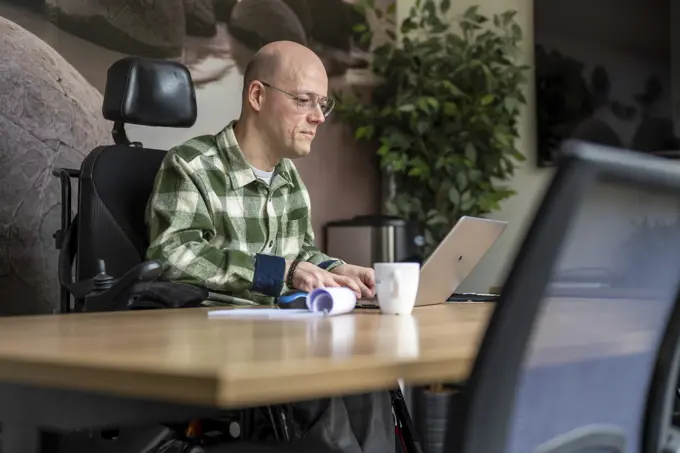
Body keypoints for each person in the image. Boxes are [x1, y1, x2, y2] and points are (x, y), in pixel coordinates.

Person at [144, 41, 395, 452]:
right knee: (322, 386)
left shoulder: (289, 179)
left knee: (370, 376)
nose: (318, 117)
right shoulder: (191, 165)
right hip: (215, 345)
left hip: (281, 337)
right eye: (303, 101)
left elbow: (302, 253)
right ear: (257, 95)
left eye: (323, 104)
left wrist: (336, 269)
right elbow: (174, 254)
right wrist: (281, 272)